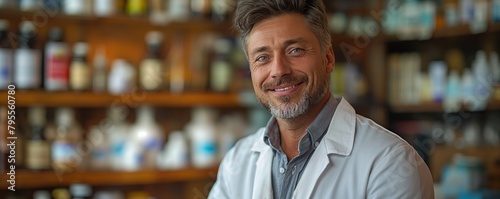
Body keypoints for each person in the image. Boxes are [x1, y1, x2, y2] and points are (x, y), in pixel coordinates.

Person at [208, 0, 434, 198]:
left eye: (295, 50)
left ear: (328, 59)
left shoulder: (391, 163)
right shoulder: (237, 162)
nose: (278, 70)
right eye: (263, 57)